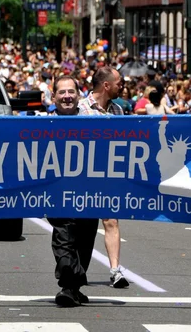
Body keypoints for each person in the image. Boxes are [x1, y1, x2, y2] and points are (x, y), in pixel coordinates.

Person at [48, 75, 99, 307]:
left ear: (79, 96)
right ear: (53, 97)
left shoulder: (97, 121)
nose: (67, 96)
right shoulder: (42, 125)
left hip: (90, 193)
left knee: (85, 239)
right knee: (64, 236)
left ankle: (75, 286)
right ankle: (68, 286)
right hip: (57, 194)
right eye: (62, 92)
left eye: (71, 92)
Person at [78, 66, 129, 288]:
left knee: (111, 220)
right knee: (83, 225)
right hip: (84, 175)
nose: (123, 87)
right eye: (119, 83)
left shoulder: (118, 110)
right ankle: (78, 270)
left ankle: (115, 270)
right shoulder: (81, 108)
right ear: (106, 85)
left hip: (109, 173)